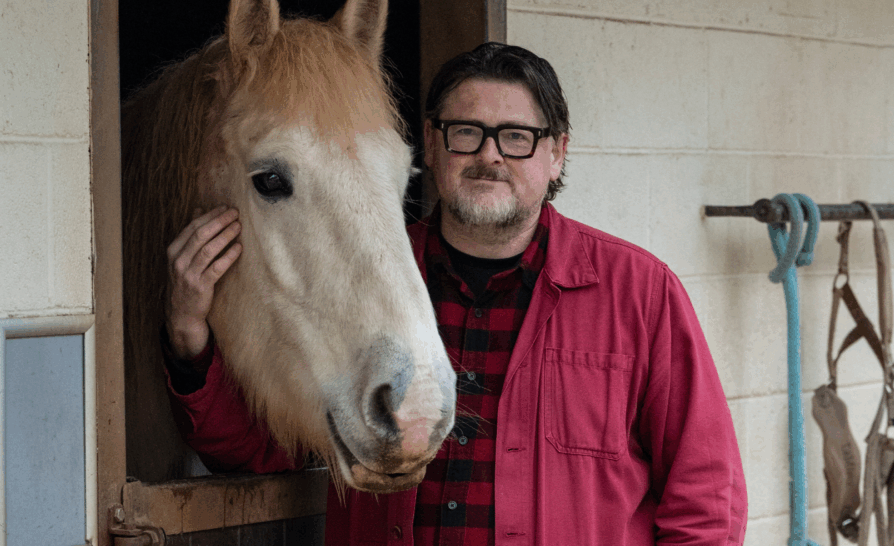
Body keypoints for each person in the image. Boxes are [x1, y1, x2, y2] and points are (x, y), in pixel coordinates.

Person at [163, 42, 748, 545]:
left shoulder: (639, 293)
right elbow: (265, 452)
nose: (489, 155)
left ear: (557, 153)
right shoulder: (361, 280)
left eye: (516, 137)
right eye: (467, 132)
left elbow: (705, 494)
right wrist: (191, 343)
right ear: (432, 143)